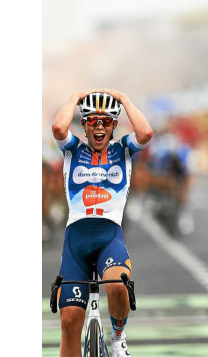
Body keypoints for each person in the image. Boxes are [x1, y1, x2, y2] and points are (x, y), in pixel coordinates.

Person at [51, 88, 153, 357]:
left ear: (114, 126)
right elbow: (59, 128)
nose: (99, 126)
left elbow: (146, 134)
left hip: (109, 235)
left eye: (106, 121)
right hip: (77, 240)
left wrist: (125, 100)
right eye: (92, 121)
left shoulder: (124, 150)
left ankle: (119, 337)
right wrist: (74, 98)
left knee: (119, 284)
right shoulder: (73, 149)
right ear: (83, 124)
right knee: (69, 322)